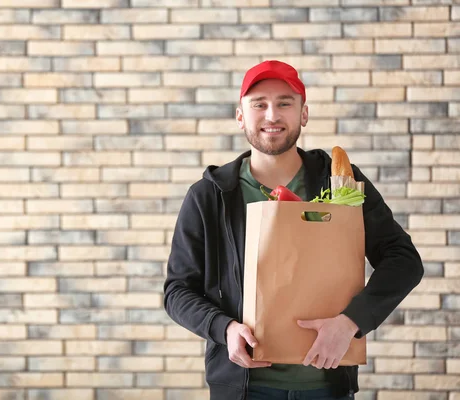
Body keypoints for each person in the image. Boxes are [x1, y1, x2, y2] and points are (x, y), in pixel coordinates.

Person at [163, 60, 424, 400]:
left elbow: (404, 260)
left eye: (285, 103)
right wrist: (223, 328)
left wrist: (350, 322)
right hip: (243, 388)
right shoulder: (210, 195)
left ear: (303, 113)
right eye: (259, 104)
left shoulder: (340, 180)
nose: (272, 115)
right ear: (240, 115)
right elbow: (177, 291)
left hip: (327, 384)